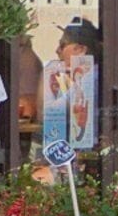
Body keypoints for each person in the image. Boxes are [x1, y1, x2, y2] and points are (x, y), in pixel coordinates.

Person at [37, 18, 99, 158]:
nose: (57, 51)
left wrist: (48, 74)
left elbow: (45, 112)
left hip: (84, 150)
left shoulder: (87, 77)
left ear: (81, 50)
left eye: (62, 45)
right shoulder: (70, 76)